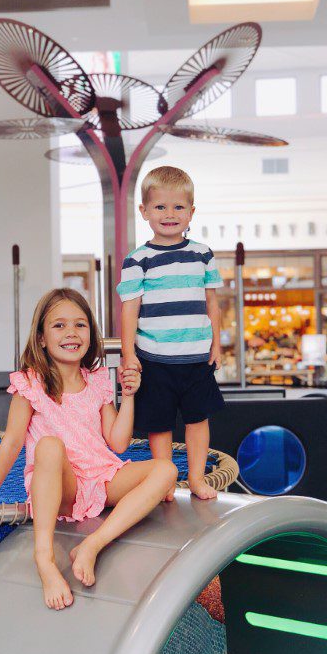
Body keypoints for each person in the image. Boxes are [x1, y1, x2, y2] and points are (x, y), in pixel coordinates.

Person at [0, 288, 178, 611]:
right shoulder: (29, 384)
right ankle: (44, 557)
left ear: (90, 333)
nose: (71, 333)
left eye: (80, 325)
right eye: (59, 326)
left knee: (166, 469)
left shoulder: (97, 381)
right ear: (41, 337)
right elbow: (12, 442)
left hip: (101, 478)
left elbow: (118, 443)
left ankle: (92, 545)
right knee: (49, 445)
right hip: (62, 485)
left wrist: (127, 396)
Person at [116, 166, 225, 501]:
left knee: (197, 419)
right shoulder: (138, 260)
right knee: (159, 425)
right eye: (160, 207)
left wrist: (217, 345)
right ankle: (163, 479)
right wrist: (129, 352)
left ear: (191, 211)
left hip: (195, 357)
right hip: (154, 358)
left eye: (178, 207)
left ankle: (195, 478)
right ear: (144, 211)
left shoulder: (203, 254)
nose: (169, 214)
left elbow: (213, 304)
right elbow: (129, 309)